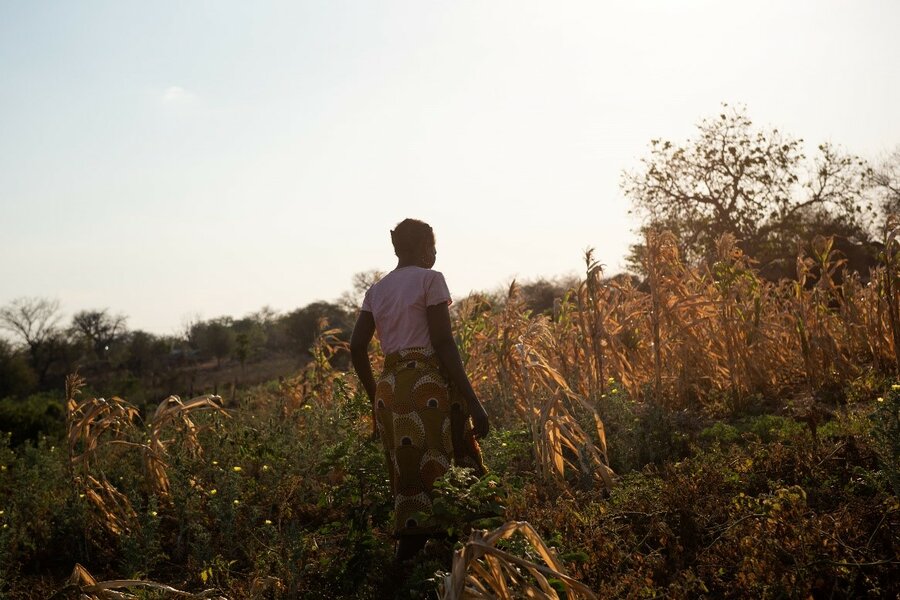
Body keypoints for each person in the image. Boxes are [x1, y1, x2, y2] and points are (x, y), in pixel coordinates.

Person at [350, 218, 490, 562]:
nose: (436, 252)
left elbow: (356, 347)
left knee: (409, 476)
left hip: (390, 389)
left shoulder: (376, 290)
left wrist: (375, 400)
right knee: (442, 469)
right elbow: (443, 341)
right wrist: (473, 402)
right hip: (426, 385)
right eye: (432, 245)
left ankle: (408, 561)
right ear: (419, 247)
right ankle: (454, 561)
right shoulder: (431, 280)